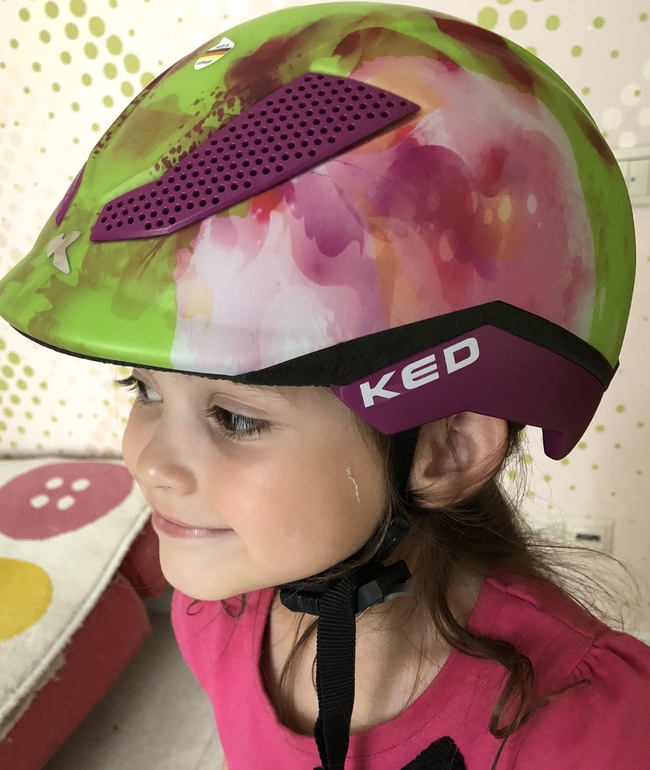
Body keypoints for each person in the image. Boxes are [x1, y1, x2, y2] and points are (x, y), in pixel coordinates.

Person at [1, 3, 649, 768]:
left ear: (444, 449)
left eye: (236, 418)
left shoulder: (587, 729)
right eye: (142, 390)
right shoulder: (216, 615)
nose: (150, 463)